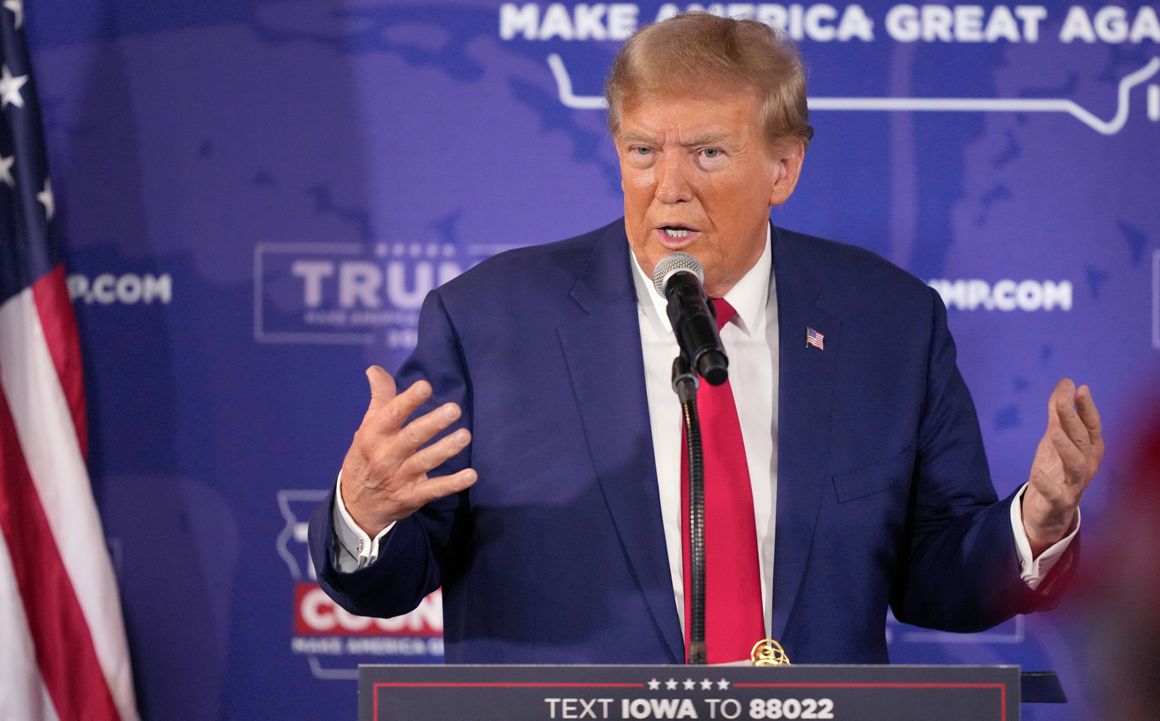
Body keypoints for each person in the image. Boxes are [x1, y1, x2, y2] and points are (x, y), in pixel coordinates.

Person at [308, 13, 1103, 664]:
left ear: (784, 167)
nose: (669, 186)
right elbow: (390, 579)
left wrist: (1033, 525)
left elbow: (937, 577)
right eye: (643, 151)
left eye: (708, 153)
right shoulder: (487, 322)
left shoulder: (890, 322)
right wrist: (366, 513)